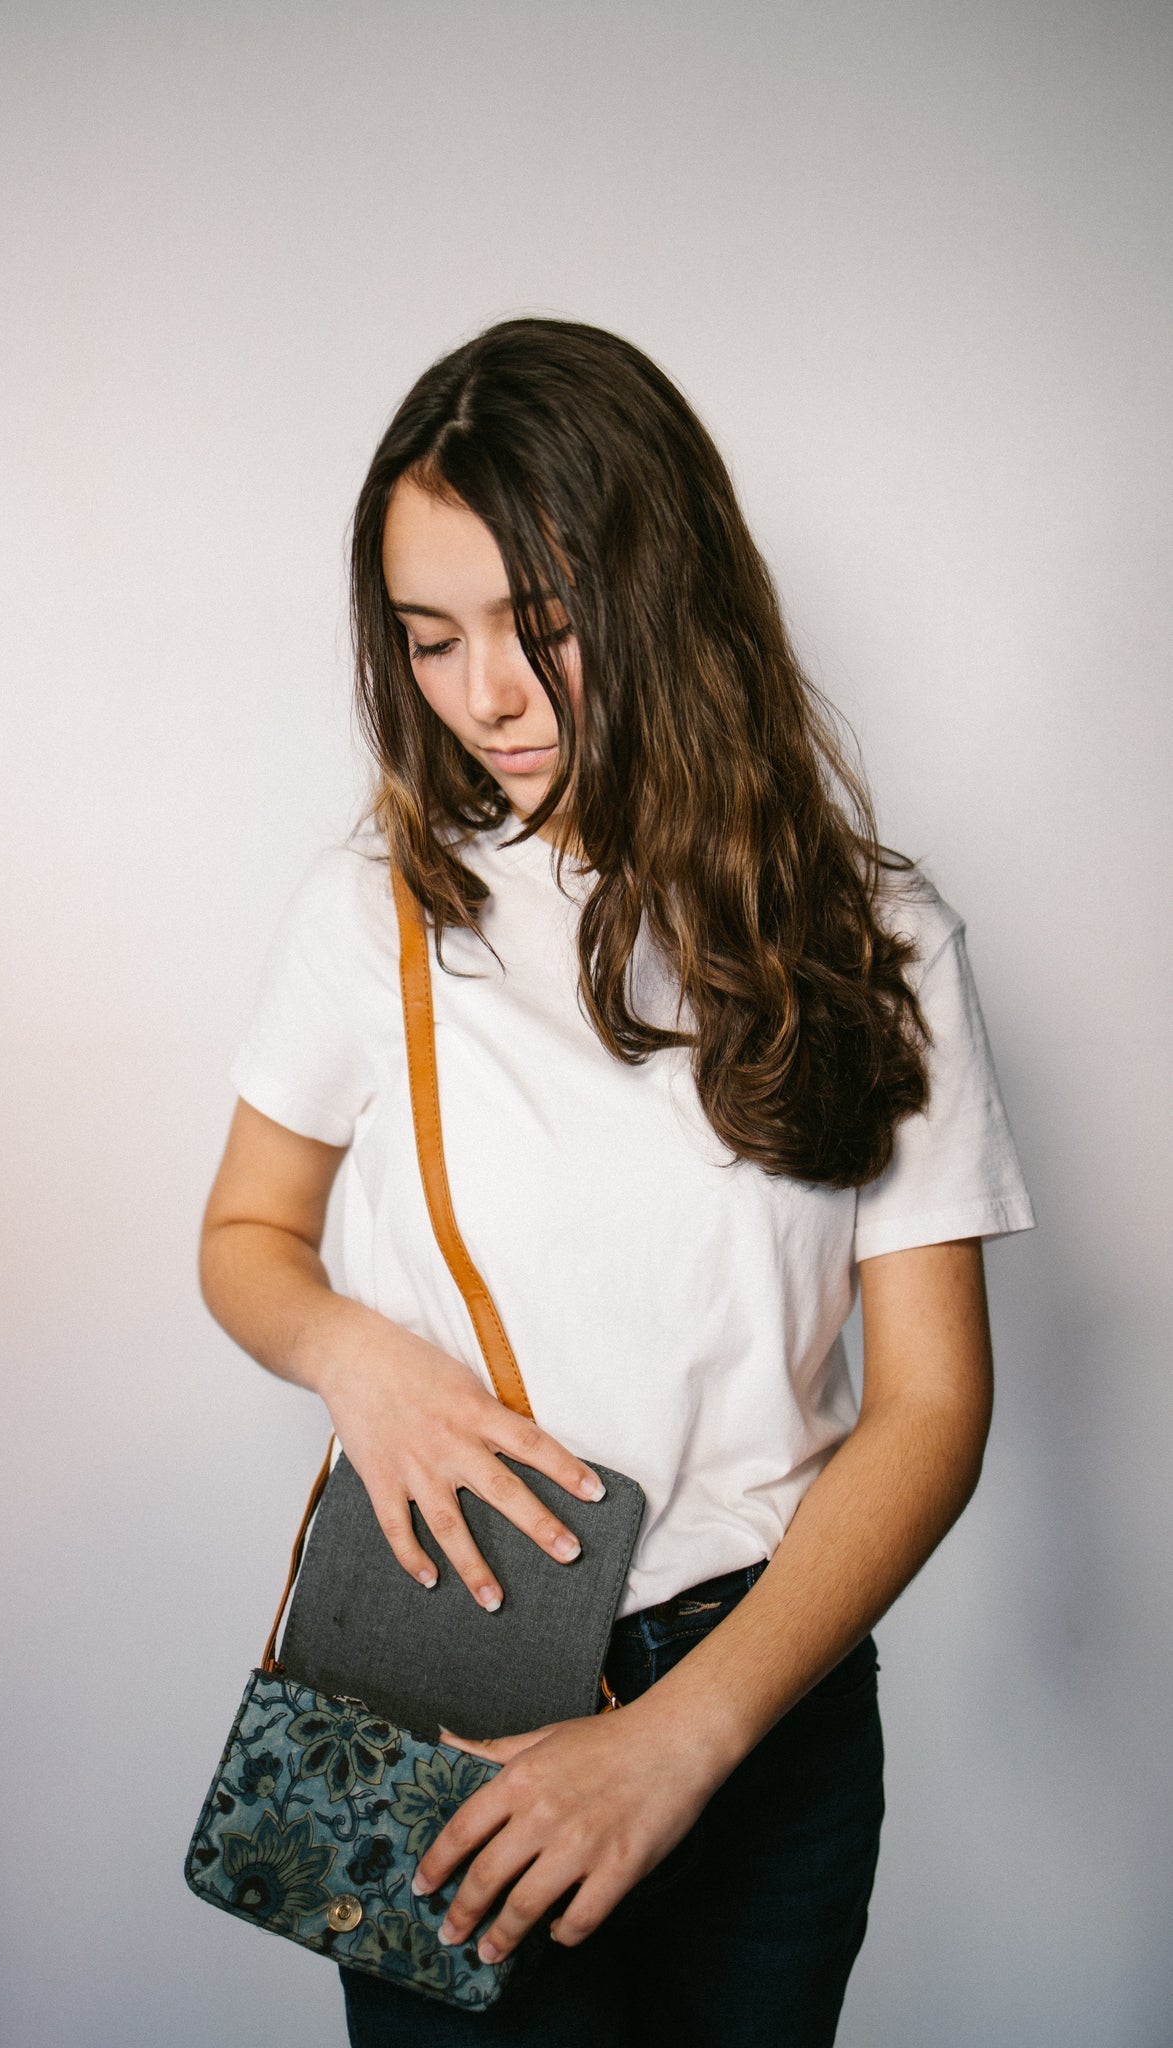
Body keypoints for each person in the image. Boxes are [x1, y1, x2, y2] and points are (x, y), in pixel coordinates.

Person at [198, 318, 1034, 2046]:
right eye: (429, 640)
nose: (483, 693)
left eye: (541, 624)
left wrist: (683, 1737)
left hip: (766, 1699)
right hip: (455, 1666)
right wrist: (363, 1362)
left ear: (666, 592)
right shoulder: (379, 910)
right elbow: (243, 1239)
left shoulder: (872, 941)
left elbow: (931, 1405)